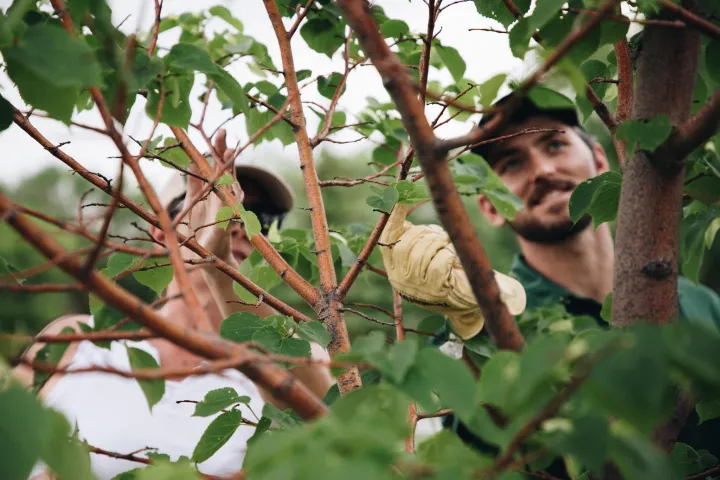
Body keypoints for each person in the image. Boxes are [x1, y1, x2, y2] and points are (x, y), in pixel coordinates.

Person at [379, 93, 720, 472]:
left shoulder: (701, 304)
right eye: (511, 163)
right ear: (491, 207)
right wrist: (471, 333)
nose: (540, 169)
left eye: (554, 144)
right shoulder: (473, 331)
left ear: (601, 160)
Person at [12, 134, 334, 479]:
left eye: (260, 218)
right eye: (211, 201)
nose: (236, 224)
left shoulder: (288, 355)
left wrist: (217, 265)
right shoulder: (77, 341)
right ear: (158, 228)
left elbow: (325, 416)